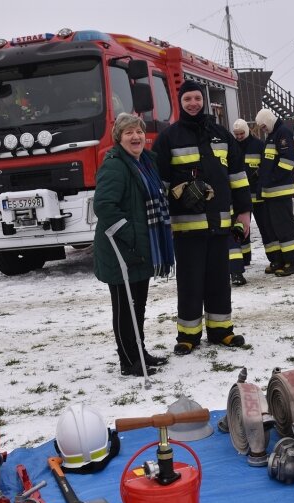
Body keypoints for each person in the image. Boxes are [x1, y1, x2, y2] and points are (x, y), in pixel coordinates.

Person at [153, 80, 252, 355]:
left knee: (219, 281)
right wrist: (175, 192)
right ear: (180, 103)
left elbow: (238, 176)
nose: (193, 103)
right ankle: (188, 336)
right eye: (187, 100)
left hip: (219, 225)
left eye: (197, 98)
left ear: (204, 100)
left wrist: (244, 212)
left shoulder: (221, 134)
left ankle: (222, 332)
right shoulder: (168, 138)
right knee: (190, 283)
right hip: (186, 228)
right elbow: (157, 181)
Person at [93, 113, 173, 377]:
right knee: (124, 308)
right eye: (128, 133)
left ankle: (140, 352)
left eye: (138, 131)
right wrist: (129, 235)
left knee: (138, 305)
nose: (135, 137)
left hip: (141, 247)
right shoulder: (115, 166)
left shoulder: (146, 163)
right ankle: (128, 361)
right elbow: (104, 206)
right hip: (120, 250)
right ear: (119, 137)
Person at [254, 108, 294, 277]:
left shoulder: (282, 133)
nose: (262, 129)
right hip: (271, 192)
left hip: (279, 191)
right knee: (275, 229)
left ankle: (292, 262)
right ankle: (280, 260)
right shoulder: (273, 135)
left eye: (263, 126)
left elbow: (288, 161)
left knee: (285, 227)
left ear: (268, 120)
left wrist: (271, 177)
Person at [229, 118, 265, 286]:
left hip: (256, 193)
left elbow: (265, 166)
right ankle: (244, 258)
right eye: (236, 134)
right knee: (241, 228)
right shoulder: (232, 145)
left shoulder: (258, 145)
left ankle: (247, 258)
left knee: (259, 226)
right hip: (239, 195)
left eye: (242, 133)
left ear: (247, 131)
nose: (239, 137)